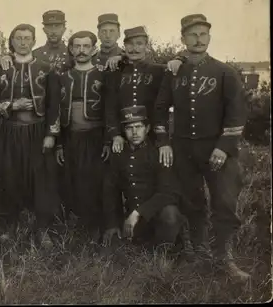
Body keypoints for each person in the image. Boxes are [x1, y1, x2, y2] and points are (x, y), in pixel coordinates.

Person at [154, 14, 250, 281]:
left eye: (203, 34)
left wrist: (224, 147)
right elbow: (160, 109)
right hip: (184, 150)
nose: (198, 39)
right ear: (183, 38)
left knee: (224, 202)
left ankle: (223, 257)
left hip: (218, 149)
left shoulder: (224, 72)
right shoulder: (174, 71)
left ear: (209, 37)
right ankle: (199, 254)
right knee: (192, 202)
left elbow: (237, 114)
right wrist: (164, 142)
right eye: (192, 35)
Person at [0, 23, 62, 249]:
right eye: (18, 38)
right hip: (10, 131)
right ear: (12, 41)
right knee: (9, 176)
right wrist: (11, 104)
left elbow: (54, 105)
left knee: (41, 179)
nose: (22, 42)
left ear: (33, 40)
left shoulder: (46, 67)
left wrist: (51, 134)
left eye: (27, 38)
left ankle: (42, 229)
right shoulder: (2, 68)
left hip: (37, 130)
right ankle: (9, 226)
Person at [103, 106, 191, 256]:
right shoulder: (119, 154)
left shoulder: (159, 152)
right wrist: (112, 223)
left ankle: (165, 252)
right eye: (129, 128)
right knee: (113, 250)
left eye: (138, 127)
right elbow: (110, 190)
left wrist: (138, 213)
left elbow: (168, 193)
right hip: (134, 217)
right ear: (124, 131)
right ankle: (144, 249)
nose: (135, 132)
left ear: (147, 128)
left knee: (170, 215)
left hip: (155, 214)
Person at [54, 30, 110, 244]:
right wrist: (59, 143)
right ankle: (74, 227)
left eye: (86, 46)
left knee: (94, 181)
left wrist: (106, 140)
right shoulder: (62, 77)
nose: (81, 51)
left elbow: (109, 110)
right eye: (77, 46)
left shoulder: (103, 75)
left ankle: (96, 227)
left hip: (95, 138)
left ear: (94, 49)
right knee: (71, 180)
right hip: (70, 137)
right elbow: (56, 112)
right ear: (70, 49)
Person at [104, 26, 167, 153]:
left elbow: (162, 107)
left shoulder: (159, 71)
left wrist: (162, 140)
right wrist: (115, 135)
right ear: (124, 47)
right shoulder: (115, 73)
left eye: (139, 44)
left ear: (146, 46)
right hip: (123, 138)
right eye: (130, 44)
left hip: (152, 138)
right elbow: (110, 108)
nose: (134, 49)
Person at [0, 10, 69, 73]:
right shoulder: (34, 55)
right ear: (44, 30)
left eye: (57, 26)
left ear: (64, 29)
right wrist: (9, 57)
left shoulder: (72, 56)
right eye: (49, 27)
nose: (53, 31)